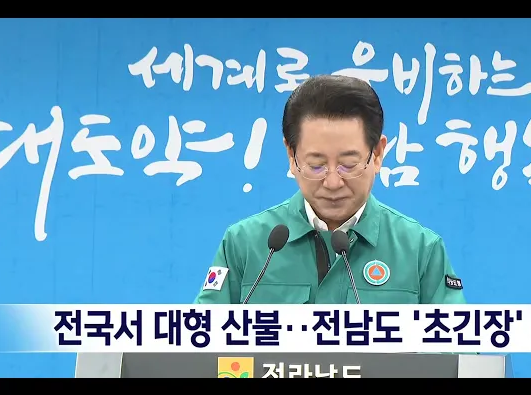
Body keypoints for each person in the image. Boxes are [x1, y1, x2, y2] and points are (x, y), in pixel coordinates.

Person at [194, 75, 466, 305]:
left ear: (378, 154)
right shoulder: (245, 244)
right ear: (292, 156)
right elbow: (198, 340)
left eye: (349, 165)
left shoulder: (420, 250)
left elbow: (456, 344)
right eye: (316, 165)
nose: (333, 182)